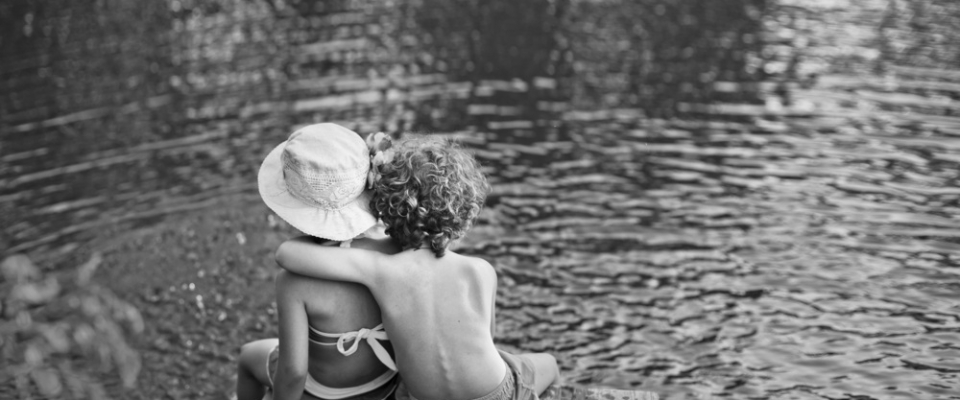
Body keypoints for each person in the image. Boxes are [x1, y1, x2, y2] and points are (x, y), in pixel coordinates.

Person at [275, 136, 560, 400]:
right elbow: (488, 339)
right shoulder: (481, 270)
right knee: (549, 364)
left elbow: (287, 253)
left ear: (385, 209)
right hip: (495, 392)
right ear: (463, 213)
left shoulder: (380, 269)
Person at [237, 123, 403, 400]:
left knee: (247, 356)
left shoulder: (294, 282)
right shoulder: (397, 249)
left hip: (323, 394)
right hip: (384, 386)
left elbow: (294, 372)